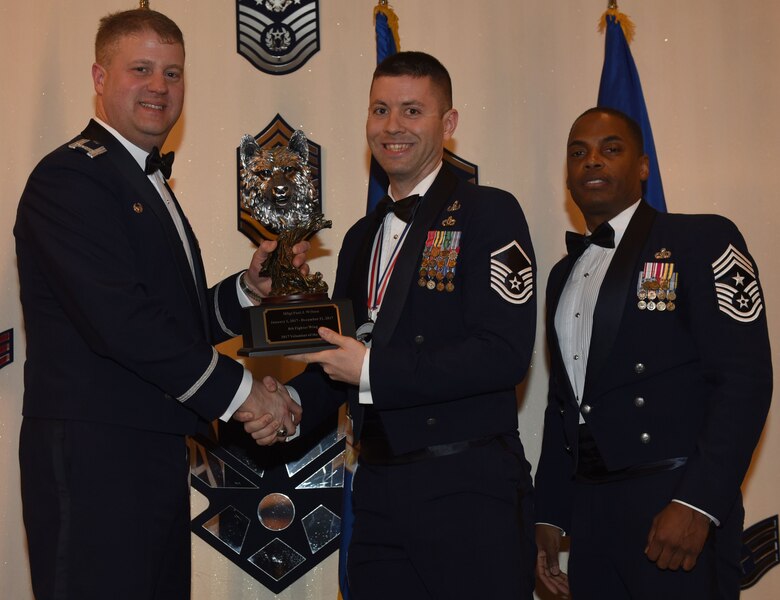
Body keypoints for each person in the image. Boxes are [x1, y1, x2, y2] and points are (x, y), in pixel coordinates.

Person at [14, 8, 303, 600]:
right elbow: (122, 323)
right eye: (140, 69)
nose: (159, 87)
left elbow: (171, 318)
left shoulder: (141, 181)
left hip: (149, 451)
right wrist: (248, 394)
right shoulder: (69, 178)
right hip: (94, 457)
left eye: (173, 74)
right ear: (99, 77)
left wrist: (248, 291)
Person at [243, 51, 538, 599]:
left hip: (466, 491)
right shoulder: (359, 236)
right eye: (380, 110)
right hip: (377, 494)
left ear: (447, 124)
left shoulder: (488, 212)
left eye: (411, 111)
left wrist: (373, 368)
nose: (392, 127)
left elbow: (503, 353)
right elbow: (341, 361)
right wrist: (291, 404)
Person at [534, 107, 772, 599]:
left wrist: (699, 502)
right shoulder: (561, 276)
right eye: (578, 153)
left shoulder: (700, 240)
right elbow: (564, 404)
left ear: (643, 166)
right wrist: (551, 512)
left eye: (610, 149)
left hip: (673, 503)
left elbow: (744, 381)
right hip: (591, 513)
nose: (592, 161)